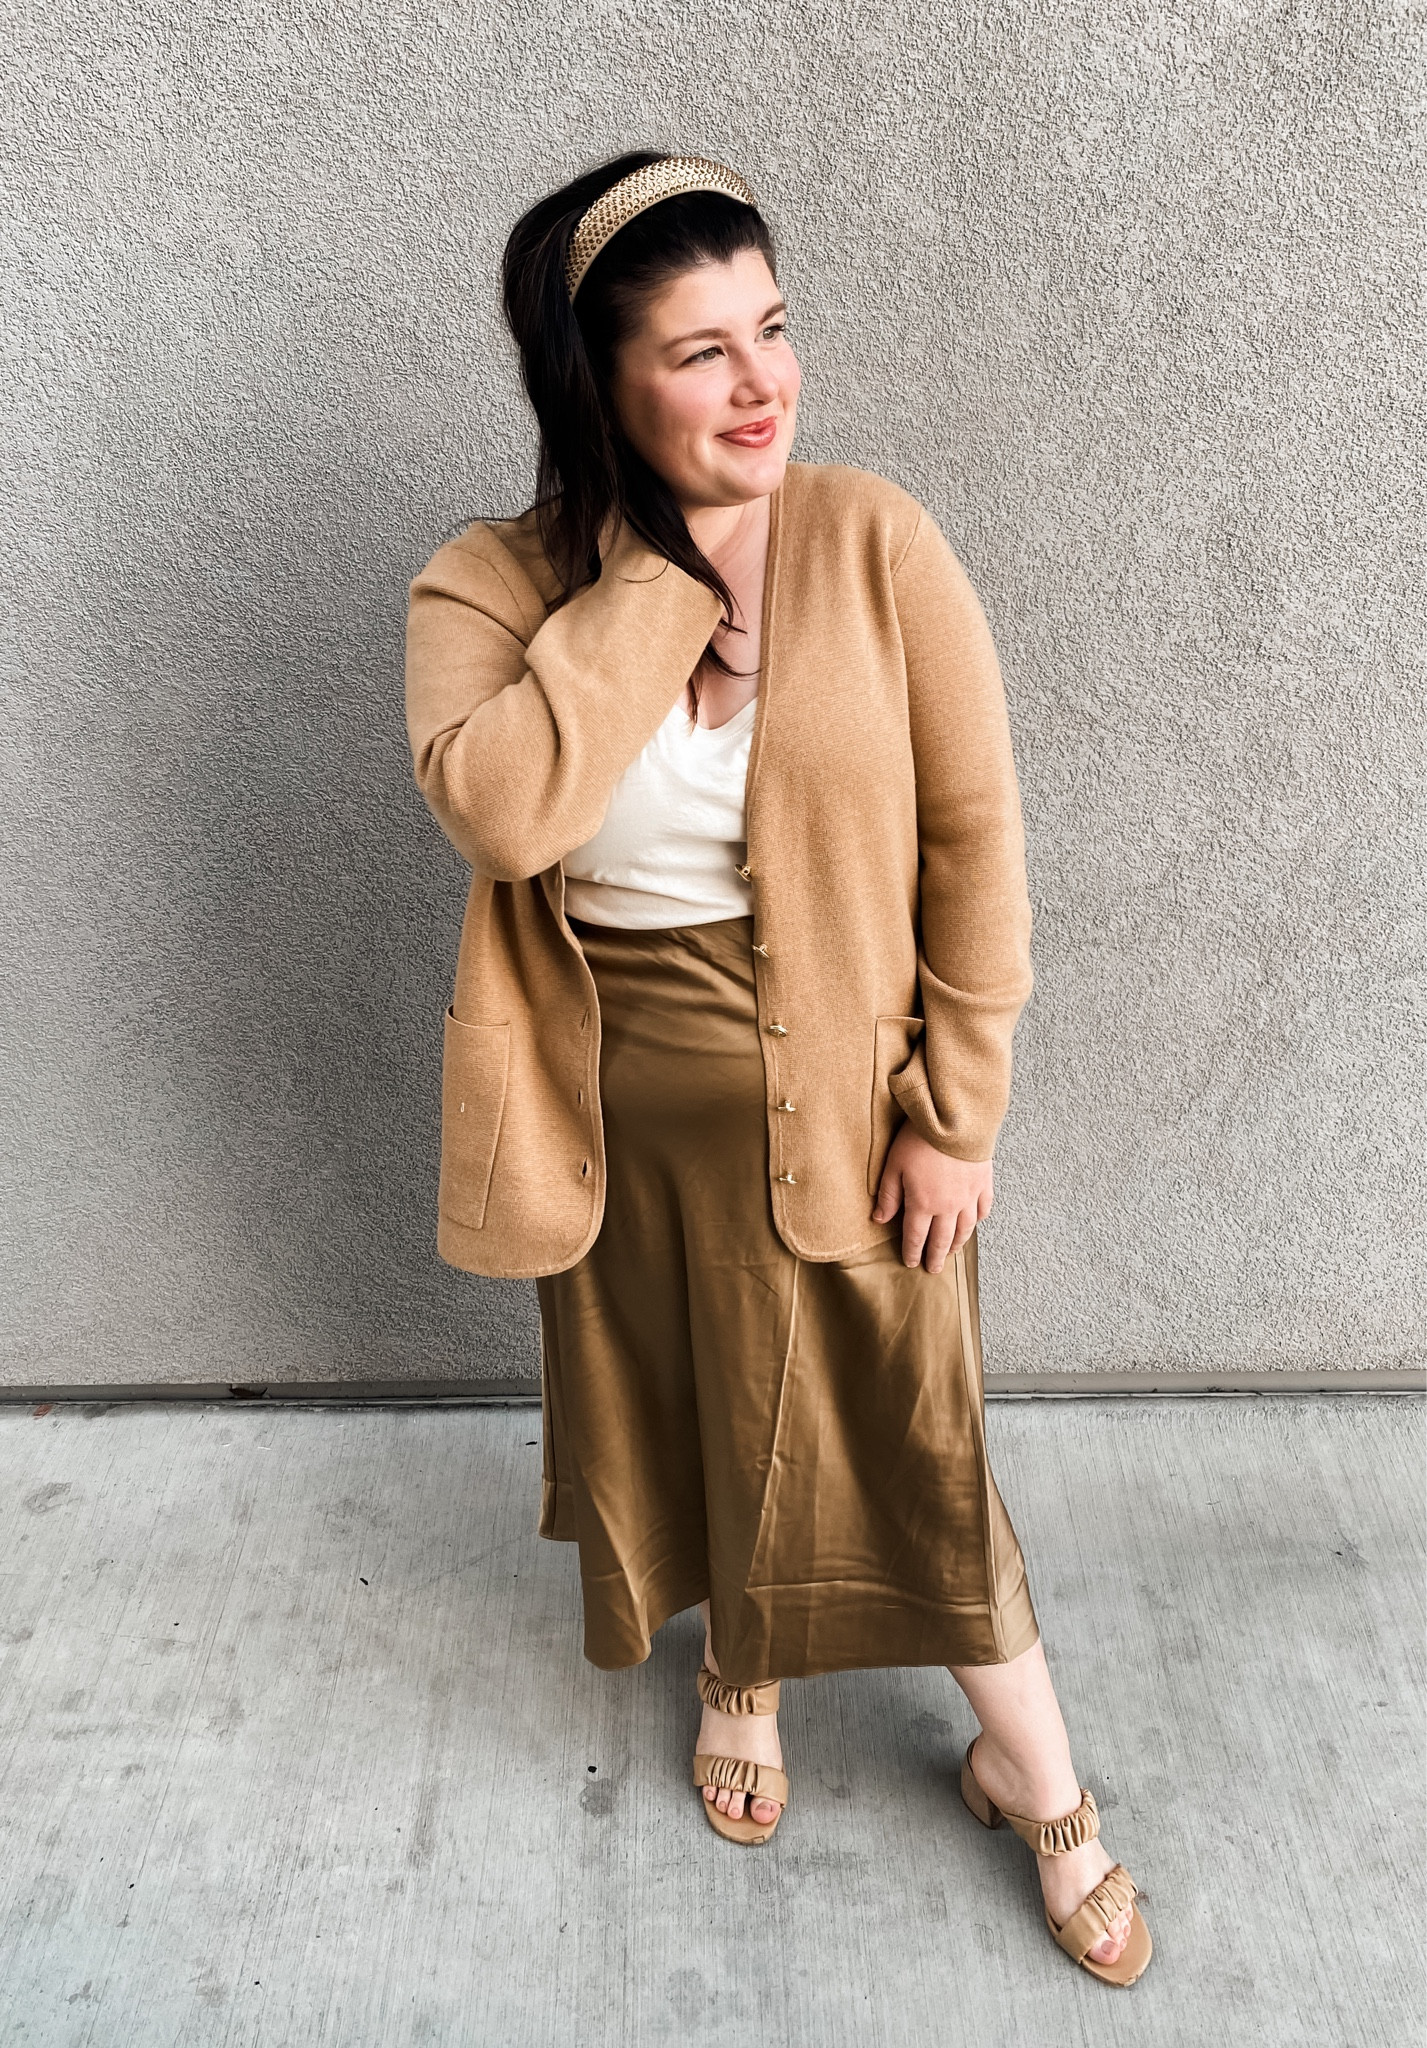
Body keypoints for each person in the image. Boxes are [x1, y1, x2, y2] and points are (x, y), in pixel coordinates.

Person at [405, 150, 1152, 1987]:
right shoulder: (488, 584)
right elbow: (506, 810)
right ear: (601, 389)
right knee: (695, 1413)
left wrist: (955, 1113)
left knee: (916, 1446)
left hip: (846, 1094)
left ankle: (1040, 1780)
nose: (764, 387)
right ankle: (740, 1676)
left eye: (776, 331)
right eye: (701, 354)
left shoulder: (877, 541)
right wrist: (666, 579)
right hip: (618, 1117)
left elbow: (978, 848)